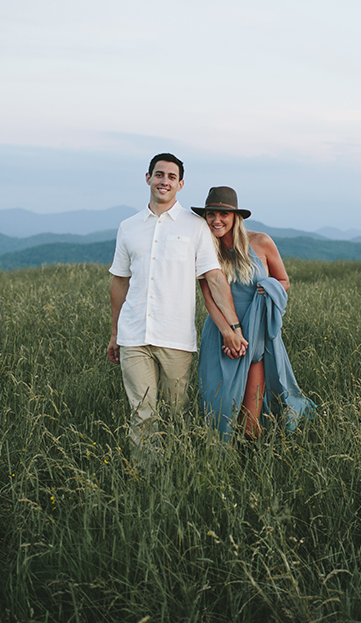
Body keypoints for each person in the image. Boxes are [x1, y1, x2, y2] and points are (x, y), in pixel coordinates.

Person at [107, 154, 248, 454]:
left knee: (175, 415)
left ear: (180, 184)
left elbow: (214, 278)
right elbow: (119, 282)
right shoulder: (128, 227)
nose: (164, 181)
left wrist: (233, 326)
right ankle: (144, 478)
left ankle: (174, 471)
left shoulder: (196, 226)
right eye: (159, 175)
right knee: (142, 413)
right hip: (134, 335)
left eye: (171, 177)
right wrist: (114, 334)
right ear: (148, 178)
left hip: (176, 338)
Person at [193, 186, 316, 442]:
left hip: (258, 333)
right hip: (220, 332)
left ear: (236, 217)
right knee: (220, 406)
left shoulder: (261, 242)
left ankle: (253, 462)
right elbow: (209, 298)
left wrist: (267, 289)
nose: (216, 220)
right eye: (211, 214)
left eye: (223, 214)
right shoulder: (204, 249)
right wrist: (228, 333)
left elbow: (283, 280)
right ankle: (218, 459)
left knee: (251, 417)